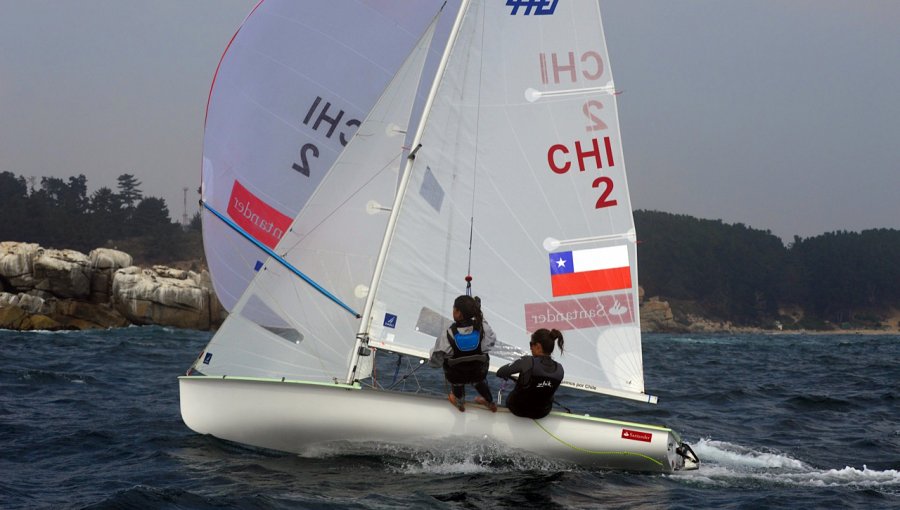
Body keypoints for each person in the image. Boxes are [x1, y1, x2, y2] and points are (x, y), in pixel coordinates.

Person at [428, 295, 497, 412]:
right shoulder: (484, 329)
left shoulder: (447, 335)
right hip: (478, 373)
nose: (453, 310)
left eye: (454, 308)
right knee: (479, 381)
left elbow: (435, 363)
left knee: (457, 382)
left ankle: (459, 403)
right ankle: (490, 402)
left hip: (457, 376)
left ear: (458, 313)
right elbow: (491, 343)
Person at [496, 328, 564, 419]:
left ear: (538, 346)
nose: (530, 348)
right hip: (541, 413)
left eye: (531, 344)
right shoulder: (560, 369)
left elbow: (500, 372)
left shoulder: (527, 361)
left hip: (518, 409)